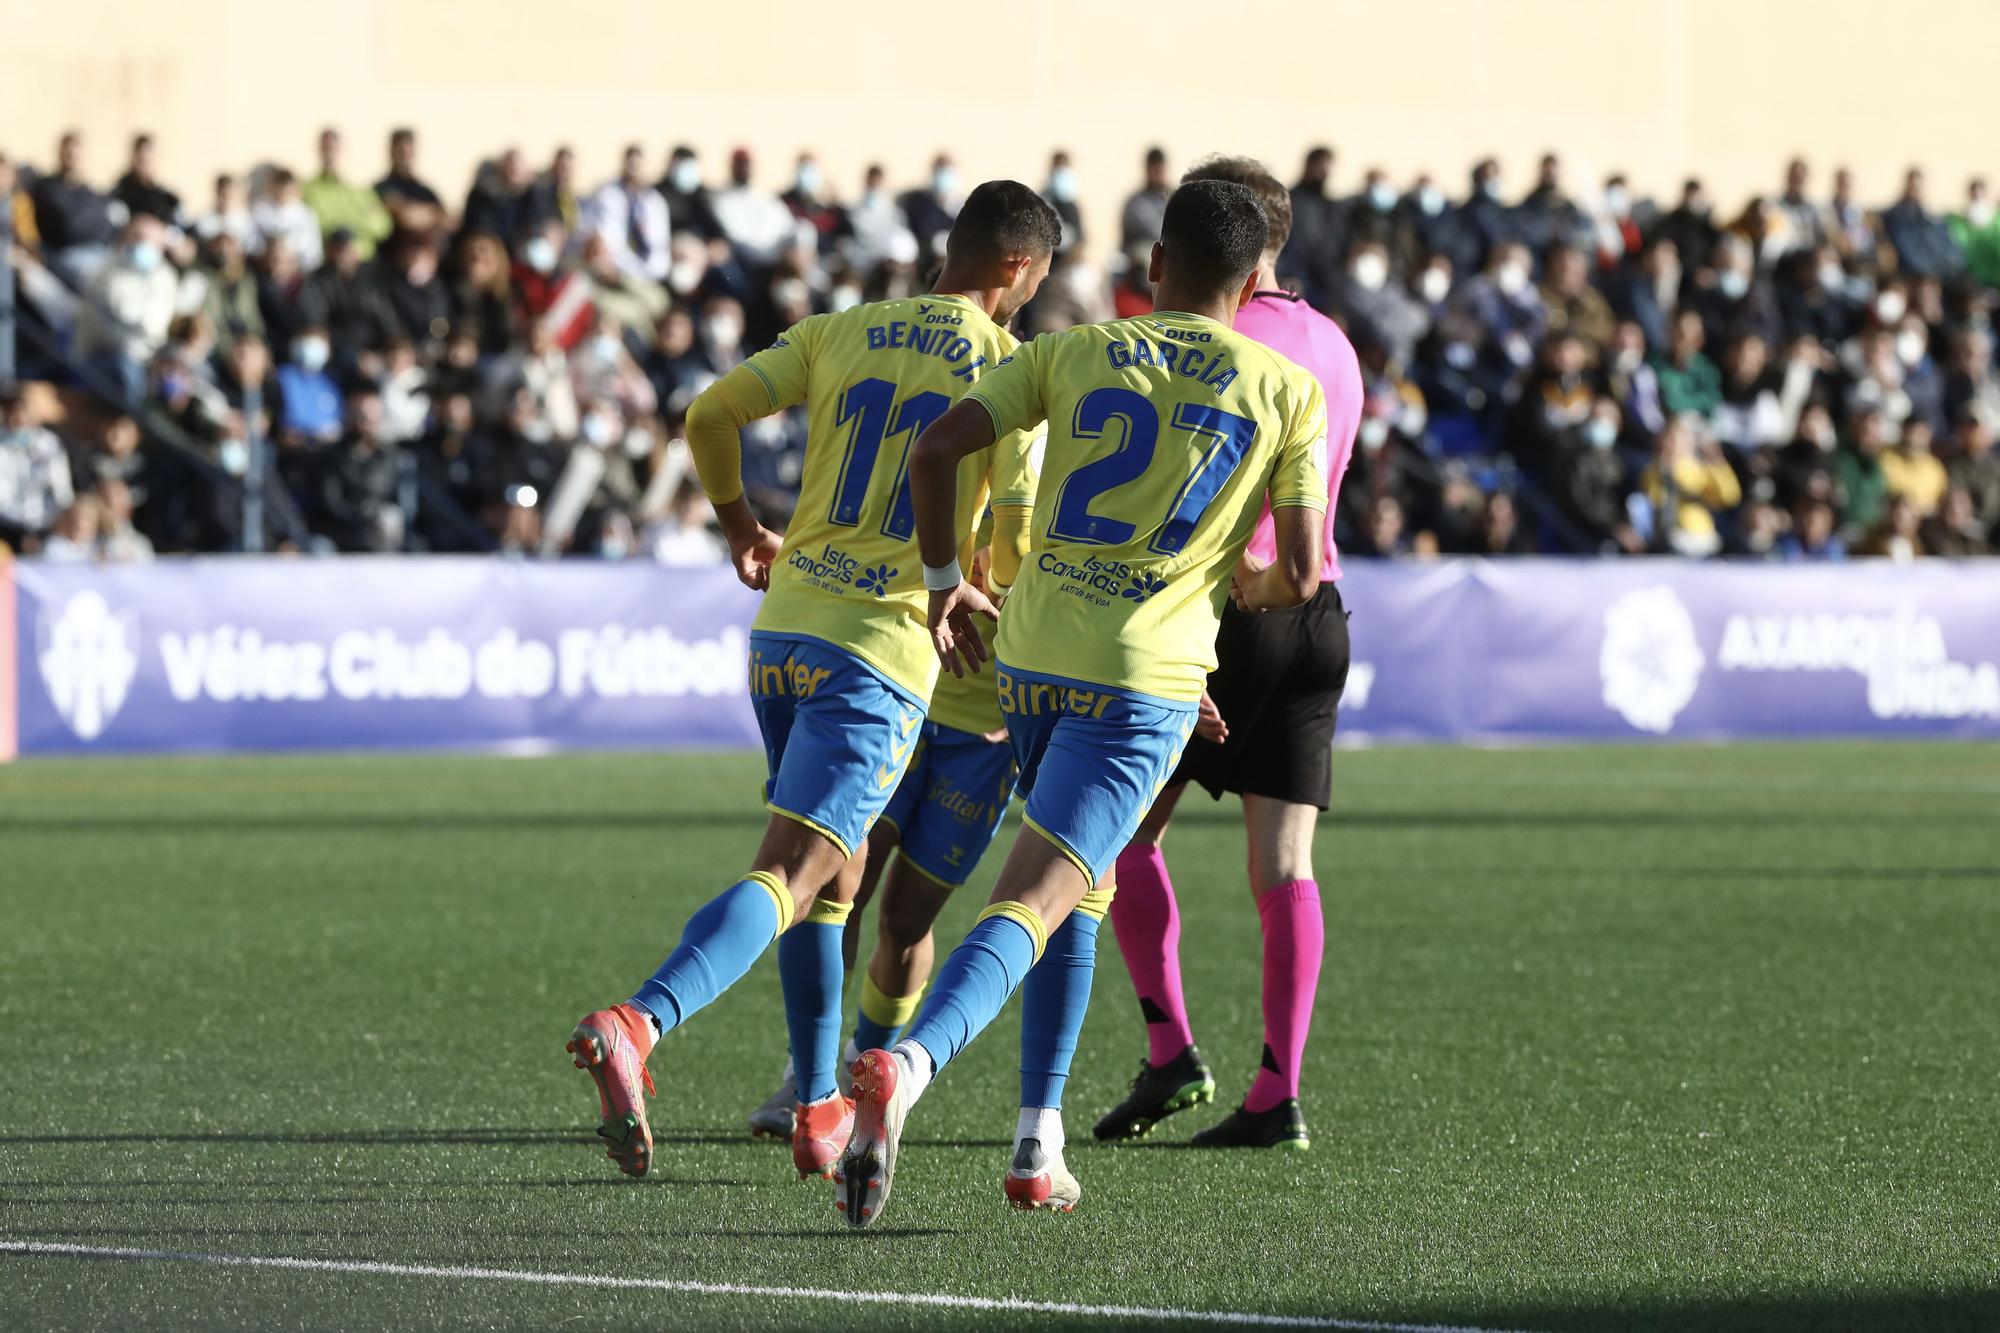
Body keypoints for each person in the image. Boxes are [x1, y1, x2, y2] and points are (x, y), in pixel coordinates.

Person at [837, 178, 1328, 1227]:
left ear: (1152, 269)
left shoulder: (1068, 351)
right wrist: (1230, 589)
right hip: (1144, 675)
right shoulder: (1286, 387)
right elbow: (1295, 572)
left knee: (1082, 885)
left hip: (1034, 657)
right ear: (1250, 285)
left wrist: (938, 584)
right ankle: (906, 1068)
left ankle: (1035, 1140)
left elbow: (932, 449)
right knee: (1038, 893)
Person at [562, 181, 1058, 1186]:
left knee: (830, 881)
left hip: (784, 632)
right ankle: (639, 1019)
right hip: (878, 651)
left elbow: (709, 413)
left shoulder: (841, 328)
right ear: (1017, 268)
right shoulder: (1009, 371)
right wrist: (974, 585)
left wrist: (742, 524)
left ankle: (814, 1099)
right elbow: (1008, 531)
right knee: (791, 873)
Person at [1088, 156, 1360, 1154]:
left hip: (1213, 611)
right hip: (1314, 607)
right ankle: (1274, 1092)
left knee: (1118, 836)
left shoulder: (1215, 335)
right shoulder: (1333, 342)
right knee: (1283, 865)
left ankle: (1169, 1048)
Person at [301, 128, 392, 259]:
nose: (330, 153)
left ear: (342, 150)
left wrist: (349, 226)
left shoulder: (359, 190)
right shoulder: (308, 189)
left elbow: (382, 227)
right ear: (319, 149)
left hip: (362, 261)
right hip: (327, 260)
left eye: (334, 147)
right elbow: (312, 225)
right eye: (326, 147)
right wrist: (357, 219)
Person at [588, 145, 671, 283]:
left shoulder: (655, 201)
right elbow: (598, 232)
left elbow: (660, 242)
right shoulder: (607, 194)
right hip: (614, 268)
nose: (634, 170)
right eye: (630, 165)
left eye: (637, 165)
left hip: (651, 272)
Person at [1120, 147, 1171, 251]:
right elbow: (1153, 232)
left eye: (1159, 170)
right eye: (1154, 170)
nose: (1157, 175)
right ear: (1147, 170)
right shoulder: (1136, 203)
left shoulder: (1173, 198)